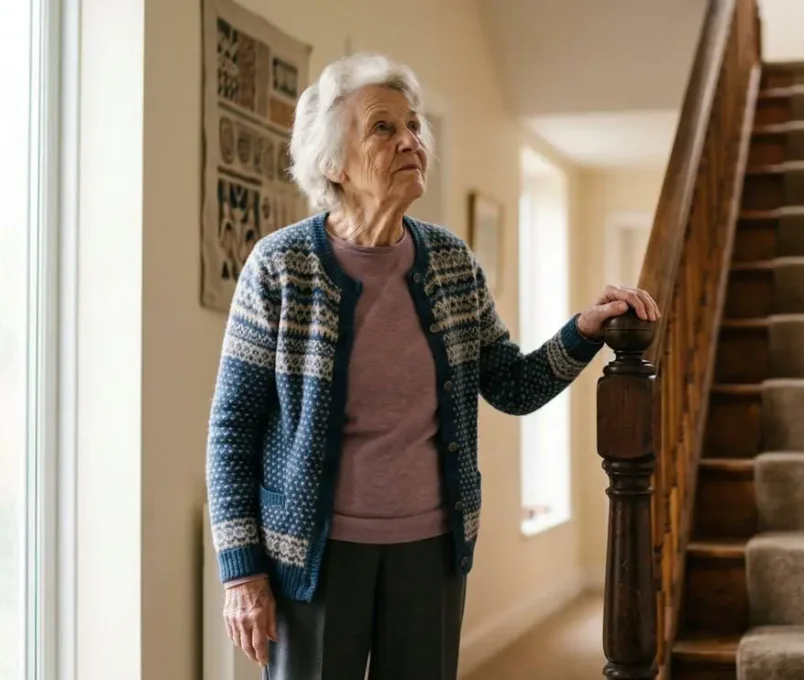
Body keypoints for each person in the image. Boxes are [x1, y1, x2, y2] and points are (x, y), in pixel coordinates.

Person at [205, 52, 659, 680]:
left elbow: (511, 384)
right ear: (333, 162)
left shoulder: (450, 263)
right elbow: (233, 428)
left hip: (430, 549)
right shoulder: (280, 267)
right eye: (383, 128)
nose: (409, 140)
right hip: (313, 555)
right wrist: (241, 572)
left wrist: (581, 332)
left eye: (414, 125)